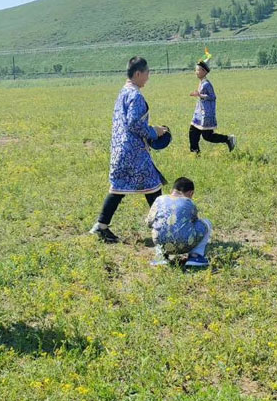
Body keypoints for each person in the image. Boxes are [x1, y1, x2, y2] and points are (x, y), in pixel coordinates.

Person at [90, 56, 168, 243]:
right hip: (134, 152)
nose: (148, 77)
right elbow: (134, 123)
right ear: (138, 73)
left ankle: (100, 227)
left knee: (117, 189)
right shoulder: (135, 95)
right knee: (153, 185)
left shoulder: (123, 92)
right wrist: (154, 132)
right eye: (147, 73)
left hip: (120, 150)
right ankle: (165, 228)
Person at [146, 177, 213, 268]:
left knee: (158, 227)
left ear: (172, 190)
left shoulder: (159, 199)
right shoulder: (189, 202)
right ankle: (195, 256)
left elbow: (149, 222)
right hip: (185, 244)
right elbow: (194, 222)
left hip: (161, 243)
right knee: (206, 222)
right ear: (191, 193)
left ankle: (161, 256)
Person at [188, 60, 235, 153]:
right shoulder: (202, 82)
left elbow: (213, 97)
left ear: (204, 72)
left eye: (198, 70)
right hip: (199, 113)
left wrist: (200, 95)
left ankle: (228, 139)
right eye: (196, 70)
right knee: (193, 132)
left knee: (207, 136)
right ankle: (195, 152)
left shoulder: (207, 84)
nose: (196, 72)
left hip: (206, 115)